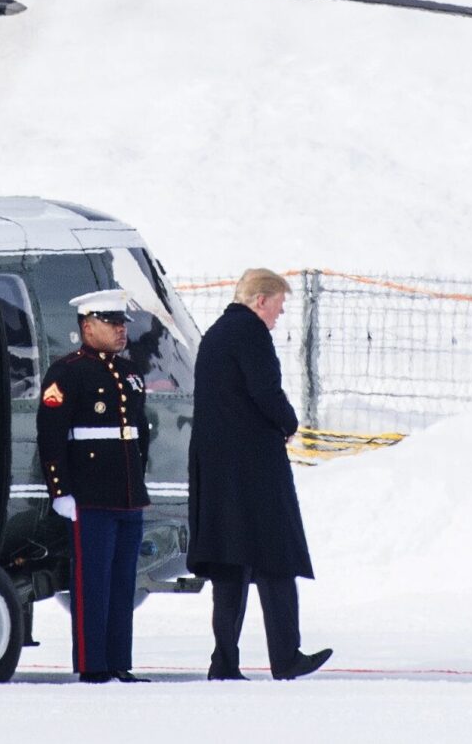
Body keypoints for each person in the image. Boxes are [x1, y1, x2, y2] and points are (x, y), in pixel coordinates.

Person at [187, 268, 333, 681]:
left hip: (218, 471)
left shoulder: (216, 334)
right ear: (261, 300)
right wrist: (289, 423)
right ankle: (286, 656)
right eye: (279, 308)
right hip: (254, 469)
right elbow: (265, 390)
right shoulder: (250, 333)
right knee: (276, 558)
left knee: (230, 565)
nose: (278, 317)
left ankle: (225, 661)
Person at [37, 289, 151, 683]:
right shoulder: (67, 372)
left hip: (126, 494)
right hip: (89, 494)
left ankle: (119, 660)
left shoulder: (129, 372)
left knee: (122, 584)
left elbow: (139, 434)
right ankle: (93, 664)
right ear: (87, 326)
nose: (121, 331)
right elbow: (51, 436)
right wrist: (60, 491)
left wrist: (137, 479)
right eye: (112, 323)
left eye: (123, 323)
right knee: (93, 584)